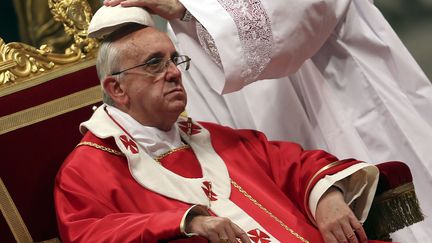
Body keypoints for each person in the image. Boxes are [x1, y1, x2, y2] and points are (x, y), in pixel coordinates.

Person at [98, 1, 432, 241]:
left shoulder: (187, 12)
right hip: (260, 134)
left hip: (335, 86)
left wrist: (187, 11)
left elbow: (305, 12)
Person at [54, 23, 388, 243]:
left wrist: (326, 195)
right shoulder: (86, 173)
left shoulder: (217, 139)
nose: (173, 73)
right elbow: (90, 235)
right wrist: (187, 222)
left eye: (174, 60)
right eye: (155, 64)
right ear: (116, 88)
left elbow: (294, 163)